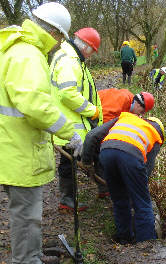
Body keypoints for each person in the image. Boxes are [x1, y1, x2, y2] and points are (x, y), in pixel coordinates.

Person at [0, 2, 83, 264]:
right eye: (60, 38)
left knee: (28, 209)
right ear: (53, 32)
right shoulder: (28, 55)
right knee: (26, 213)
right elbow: (35, 105)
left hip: (10, 144)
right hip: (17, 148)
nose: (59, 44)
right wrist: (69, 132)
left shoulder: (16, 48)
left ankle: (32, 254)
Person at [81, 109, 165, 244]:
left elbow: (92, 136)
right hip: (130, 155)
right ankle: (147, 244)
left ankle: (124, 237)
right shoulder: (155, 136)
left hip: (106, 152)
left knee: (119, 199)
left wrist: (86, 161)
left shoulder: (125, 118)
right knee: (142, 203)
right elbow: (145, 173)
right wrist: (136, 191)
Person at [50, 27, 103, 211]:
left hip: (66, 121)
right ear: (86, 46)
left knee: (73, 161)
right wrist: (91, 111)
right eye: (92, 51)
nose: (91, 55)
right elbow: (68, 94)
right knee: (68, 163)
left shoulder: (69, 57)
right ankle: (67, 200)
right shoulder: (69, 62)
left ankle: (72, 198)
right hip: (68, 123)